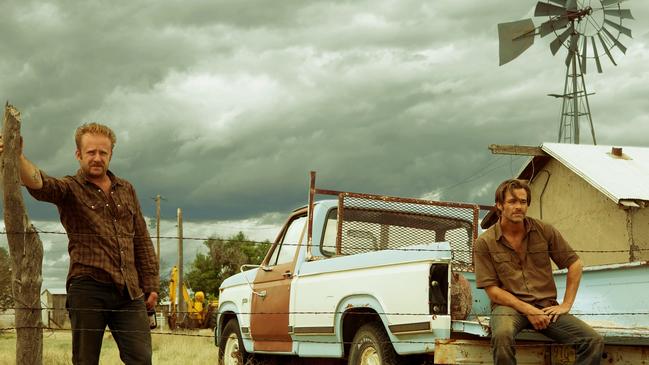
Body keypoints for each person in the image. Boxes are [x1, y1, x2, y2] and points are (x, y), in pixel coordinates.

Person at [0, 123, 159, 364]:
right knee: (85, 360)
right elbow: (41, 184)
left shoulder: (126, 189)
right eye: (91, 152)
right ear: (78, 155)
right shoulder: (70, 189)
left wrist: (151, 284)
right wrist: (17, 156)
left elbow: (142, 238)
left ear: (110, 155)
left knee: (141, 359)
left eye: (103, 153)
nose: (97, 158)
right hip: (88, 288)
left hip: (129, 291)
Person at [474, 179, 603, 365]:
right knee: (502, 336)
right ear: (499, 206)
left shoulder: (544, 230)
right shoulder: (485, 242)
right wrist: (529, 310)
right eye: (512, 202)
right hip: (509, 308)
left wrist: (566, 304)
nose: (519, 207)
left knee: (593, 341)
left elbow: (575, 264)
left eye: (523, 201)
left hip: (546, 306)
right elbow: (492, 290)